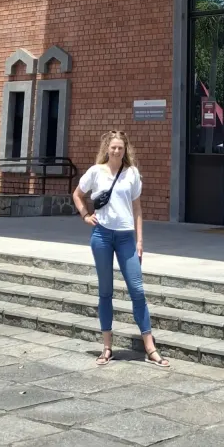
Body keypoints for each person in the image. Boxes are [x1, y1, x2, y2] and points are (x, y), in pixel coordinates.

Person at [73, 130, 170, 367]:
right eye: (113, 147)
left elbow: (137, 209)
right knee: (105, 291)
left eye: (121, 148)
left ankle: (150, 347)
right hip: (102, 236)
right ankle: (107, 347)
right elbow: (77, 194)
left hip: (126, 237)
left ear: (126, 150)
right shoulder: (96, 172)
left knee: (137, 290)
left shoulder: (132, 174)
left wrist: (139, 240)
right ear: (107, 148)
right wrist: (85, 215)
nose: (117, 151)